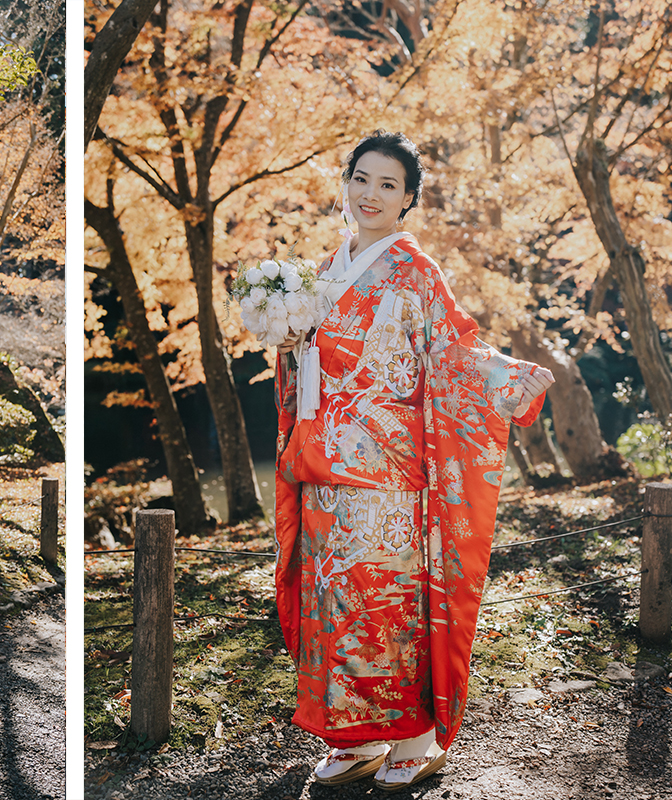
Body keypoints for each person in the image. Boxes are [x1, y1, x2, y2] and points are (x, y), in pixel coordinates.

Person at [273, 131, 555, 790]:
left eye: (388, 185)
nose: (370, 195)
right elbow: (311, 365)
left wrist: (506, 378)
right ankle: (352, 736)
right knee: (333, 603)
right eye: (361, 179)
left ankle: (416, 736)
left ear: (408, 200)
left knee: (386, 605)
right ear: (345, 183)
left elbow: (454, 350)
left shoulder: (416, 271)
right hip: (323, 467)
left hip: (388, 474)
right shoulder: (327, 266)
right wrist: (287, 341)